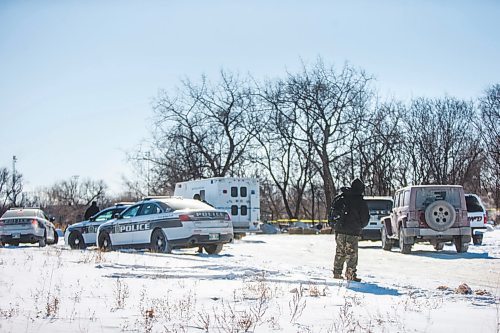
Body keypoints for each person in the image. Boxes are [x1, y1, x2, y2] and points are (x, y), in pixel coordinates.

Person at [330, 179, 369, 282]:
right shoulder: (360, 201)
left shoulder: (342, 197)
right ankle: (350, 275)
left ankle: (337, 273)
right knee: (351, 254)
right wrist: (359, 226)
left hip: (339, 230)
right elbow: (365, 219)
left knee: (340, 252)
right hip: (353, 232)